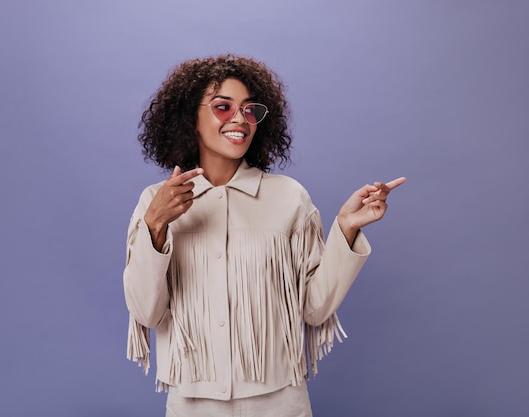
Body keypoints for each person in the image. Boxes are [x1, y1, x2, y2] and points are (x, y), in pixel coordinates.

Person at [123, 54, 406, 417]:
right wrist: (155, 226)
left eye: (250, 110)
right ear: (188, 118)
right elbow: (146, 313)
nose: (240, 119)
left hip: (281, 403)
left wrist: (347, 228)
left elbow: (315, 309)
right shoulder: (155, 201)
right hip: (193, 405)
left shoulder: (289, 197)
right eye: (223, 107)